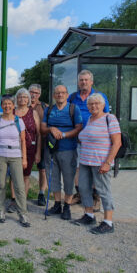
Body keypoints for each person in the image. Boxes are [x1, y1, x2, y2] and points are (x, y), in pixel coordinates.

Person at [72, 93, 121, 234]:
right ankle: (89, 215)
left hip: (100, 162)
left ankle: (108, 222)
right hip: (85, 161)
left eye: (96, 103)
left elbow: (117, 143)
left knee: (103, 191)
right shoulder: (90, 119)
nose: (93, 106)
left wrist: (108, 162)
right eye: (90, 104)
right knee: (84, 188)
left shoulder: (109, 118)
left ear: (103, 105)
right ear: (87, 106)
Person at [69, 70, 110, 209]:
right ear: (78, 82)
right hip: (77, 140)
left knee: (95, 169)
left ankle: (96, 197)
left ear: (91, 81)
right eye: (81, 80)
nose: (84, 82)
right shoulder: (73, 97)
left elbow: (106, 116)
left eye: (86, 80)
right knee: (78, 168)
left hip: (96, 142)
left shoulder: (99, 96)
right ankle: (80, 194)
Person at [41, 85, 83, 220]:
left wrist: (64, 135)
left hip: (68, 149)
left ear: (66, 94)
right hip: (51, 149)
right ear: (54, 95)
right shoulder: (49, 110)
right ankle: (57, 204)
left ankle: (67, 206)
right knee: (52, 177)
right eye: (57, 93)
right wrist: (51, 129)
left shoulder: (73, 109)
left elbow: (78, 128)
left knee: (69, 178)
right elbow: (42, 128)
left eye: (62, 93)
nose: (60, 95)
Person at [0, 95, 31, 227]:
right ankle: (1, 210)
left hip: (15, 156)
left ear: (13, 106)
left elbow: (23, 141)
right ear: (1, 106)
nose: (7, 106)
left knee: (19, 185)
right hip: (0, 155)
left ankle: (22, 213)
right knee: (1, 184)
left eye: (9, 104)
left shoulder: (19, 121)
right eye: (5, 104)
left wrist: (24, 158)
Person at [14, 88, 41, 205]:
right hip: (14, 148)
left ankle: (22, 200)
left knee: (26, 175)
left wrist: (38, 152)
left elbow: (39, 134)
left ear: (29, 99)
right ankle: (14, 199)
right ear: (16, 99)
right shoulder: (12, 112)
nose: (22, 99)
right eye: (20, 96)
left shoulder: (33, 113)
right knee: (14, 175)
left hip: (30, 148)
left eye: (25, 97)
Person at [29, 84, 48, 206]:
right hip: (26, 142)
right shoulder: (23, 105)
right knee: (24, 169)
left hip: (42, 142)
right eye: (31, 92)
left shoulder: (45, 107)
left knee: (42, 169)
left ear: (39, 94)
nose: (33, 94)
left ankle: (41, 193)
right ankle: (21, 194)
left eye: (36, 92)